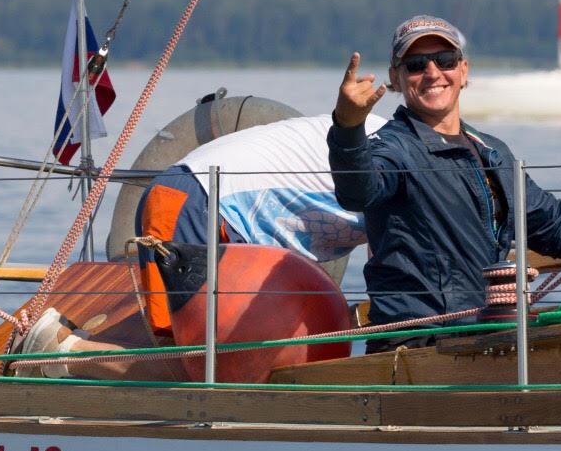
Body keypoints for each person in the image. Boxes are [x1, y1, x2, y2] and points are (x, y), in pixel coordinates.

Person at [328, 15, 561, 349]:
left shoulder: (492, 152)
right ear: (395, 78)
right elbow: (358, 191)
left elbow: (558, 226)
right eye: (416, 65)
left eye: (445, 59)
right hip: (420, 347)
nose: (433, 72)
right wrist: (347, 127)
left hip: (484, 338)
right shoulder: (394, 148)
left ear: (464, 70)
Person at [133, 113, 386, 339]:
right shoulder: (392, 149)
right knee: (184, 342)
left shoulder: (390, 141)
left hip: (222, 208)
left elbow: (387, 267)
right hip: (197, 197)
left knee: (235, 343)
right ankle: (107, 359)